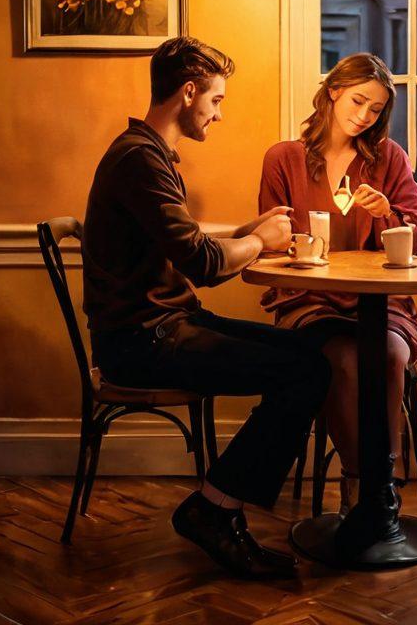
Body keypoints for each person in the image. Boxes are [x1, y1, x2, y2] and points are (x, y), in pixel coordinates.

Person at [82, 36, 332, 580]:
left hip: (166, 327)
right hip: (143, 343)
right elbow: (202, 265)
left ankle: (218, 505)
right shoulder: (139, 160)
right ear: (189, 91)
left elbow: (184, 241)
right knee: (308, 367)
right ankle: (215, 510)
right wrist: (261, 244)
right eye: (215, 100)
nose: (217, 114)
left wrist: (246, 232)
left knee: (309, 355)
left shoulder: (145, 152)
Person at [258, 53, 417, 515]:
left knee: (390, 355)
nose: (364, 116)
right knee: (342, 361)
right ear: (333, 91)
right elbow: (271, 240)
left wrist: (386, 215)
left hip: (378, 301)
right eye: (358, 101)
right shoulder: (285, 158)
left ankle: (376, 484)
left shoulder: (388, 159)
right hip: (309, 298)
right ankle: (372, 485)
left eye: (375, 109)